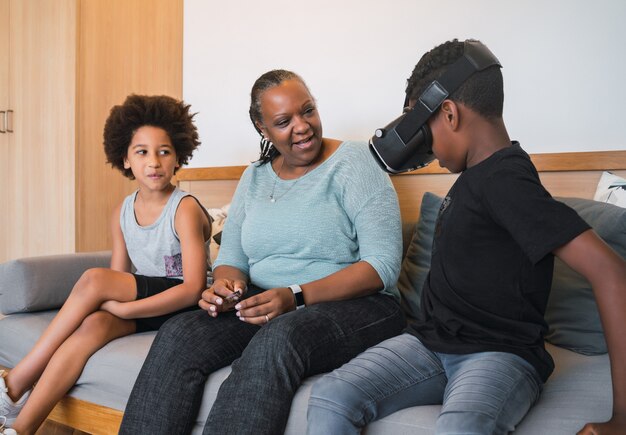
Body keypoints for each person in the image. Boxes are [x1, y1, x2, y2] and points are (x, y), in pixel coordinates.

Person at [307, 39, 626, 435]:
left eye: (427, 134)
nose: (430, 152)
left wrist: (622, 419)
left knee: (462, 428)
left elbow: (612, 272)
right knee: (330, 397)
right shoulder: (474, 176)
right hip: (430, 344)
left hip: (497, 353)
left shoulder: (506, 179)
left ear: (450, 114)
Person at [118, 69, 406, 435]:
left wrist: (296, 297)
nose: (302, 127)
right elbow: (232, 260)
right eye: (284, 121)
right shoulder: (254, 177)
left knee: (279, 338)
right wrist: (226, 288)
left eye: (308, 111)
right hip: (269, 301)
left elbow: (381, 266)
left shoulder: (355, 162)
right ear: (262, 128)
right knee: (179, 334)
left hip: (361, 305)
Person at [0, 95, 212, 435]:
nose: (154, 161)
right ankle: (20, 428)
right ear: (125, 160)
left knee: (95, 281)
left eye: (164, 151)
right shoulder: (122, 211)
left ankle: (15, 383)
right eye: (142, 152)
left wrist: (128, 311)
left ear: (178, 158)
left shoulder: (183, 208)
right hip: (148, 304)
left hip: (187, 306)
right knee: (92, 327)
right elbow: (120, 276)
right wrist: (115, 309)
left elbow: (194, 288)